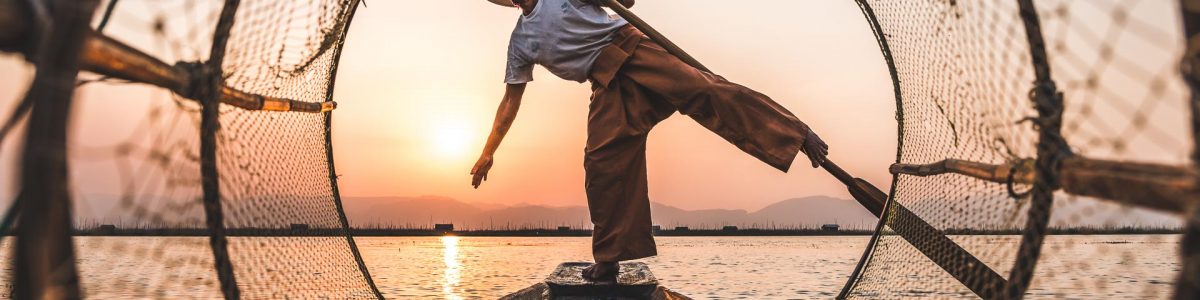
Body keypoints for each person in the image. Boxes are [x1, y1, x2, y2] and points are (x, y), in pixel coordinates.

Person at [470, 0, 829, 281]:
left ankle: (795, 134)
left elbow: (626, 1)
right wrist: (489, 152)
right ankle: (609, 260)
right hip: (606, 82)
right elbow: (510, 100)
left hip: (632, 48)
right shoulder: (520, 42)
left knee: (705, 90)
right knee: (601, 164)